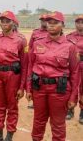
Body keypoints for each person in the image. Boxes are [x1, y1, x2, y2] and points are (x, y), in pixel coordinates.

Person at [26, 11, 79, 141]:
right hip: (39, 88)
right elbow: (30, 66)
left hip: (59, 91)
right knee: (38, 120)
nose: (51, 25)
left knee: (58, 123)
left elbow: (75, 73)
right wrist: (28, 88)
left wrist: (73, 97)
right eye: (50, 23)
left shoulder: (70, 46)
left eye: (56, 23)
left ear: (63, 25)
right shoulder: (38, 43)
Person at [0, 11, 28, 141]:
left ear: (13, 23)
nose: (4, 23)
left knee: (12, 107)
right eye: (2, 21)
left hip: (13, 76)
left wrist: (22, 87)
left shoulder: (21, 40)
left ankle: (9, 135)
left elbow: (24, 65)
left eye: (7, 21)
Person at [65, 14, 83, 120]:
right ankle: (70, 110)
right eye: (78, 22)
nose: (80, 24)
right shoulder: (69, 36)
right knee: (71, 86)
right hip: (72, 66)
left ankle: (82, 112)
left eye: (82, 22)